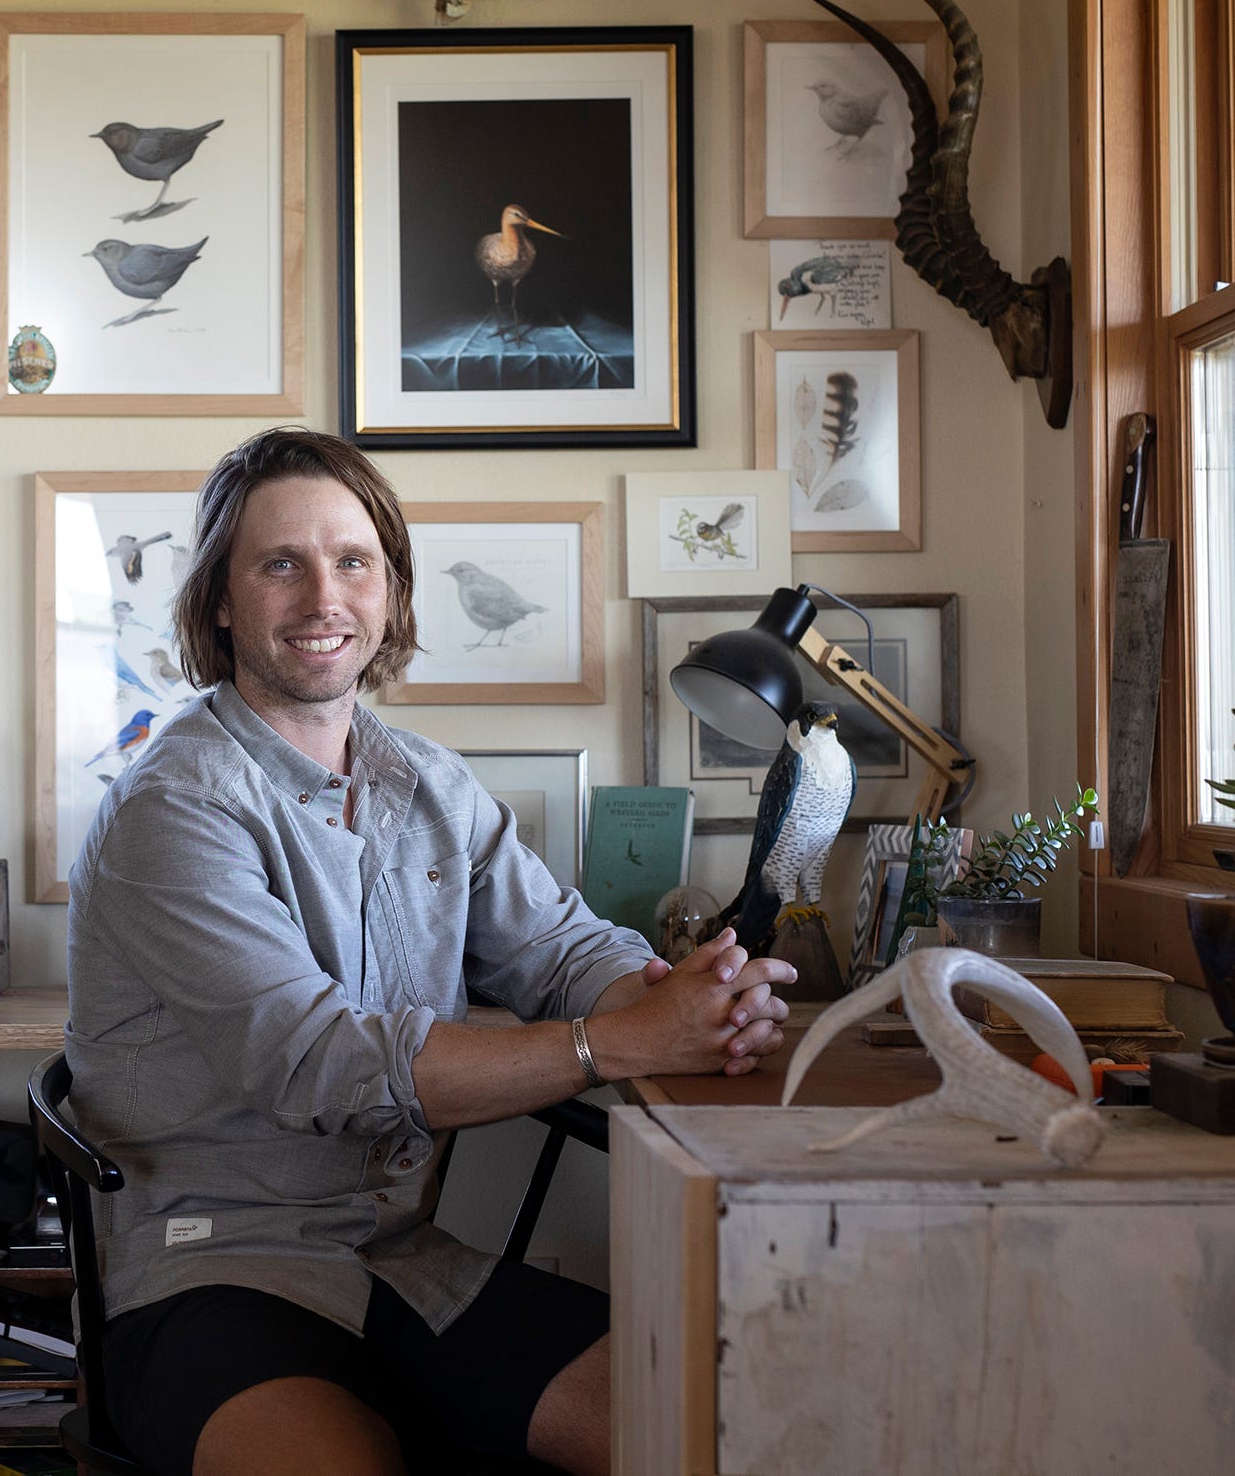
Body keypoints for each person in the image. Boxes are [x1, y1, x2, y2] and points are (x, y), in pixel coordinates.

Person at [65, 428, 797, 1476]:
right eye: (281, 563)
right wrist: (616, 1043)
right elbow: (322, 1062)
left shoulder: (428, 783)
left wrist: (686, 996)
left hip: (403, 1261)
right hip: (212, 1271)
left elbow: (558, 946)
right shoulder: (173, 805)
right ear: (220, 600)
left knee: (726, 1430)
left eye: (352, 560)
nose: (324, 595)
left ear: (391, 590)